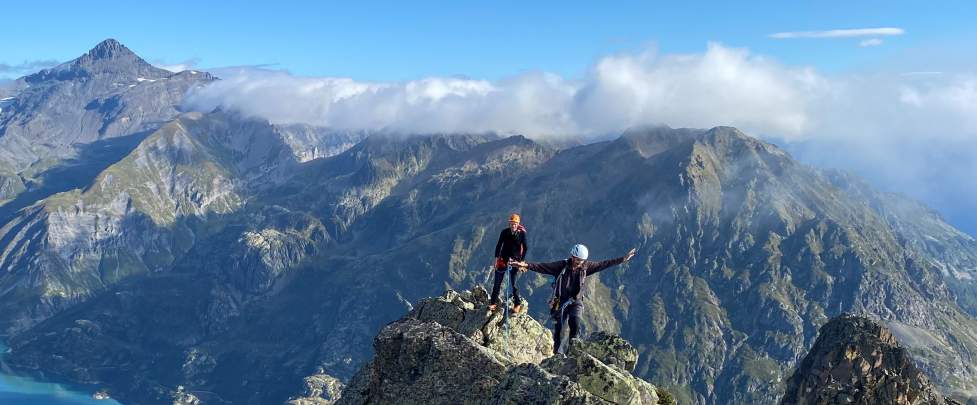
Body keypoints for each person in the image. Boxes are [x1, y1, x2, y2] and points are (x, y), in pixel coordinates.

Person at [511, 244, 636, 353]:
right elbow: (542, 266)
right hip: (559, 301)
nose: (579, 263)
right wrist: (525, 265)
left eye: (581, 260)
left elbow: (604, 264)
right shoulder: (561, 265)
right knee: (559, 328)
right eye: (577, 260)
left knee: (574, 324)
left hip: (576, 301)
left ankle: (572, 351)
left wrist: (623, 259)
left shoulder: (586, 267)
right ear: (572, 257)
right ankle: (556, 353)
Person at [490, 213, 528, 312]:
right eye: (511, 223)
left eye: (515, 223)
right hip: (503, 259)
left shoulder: (521, 234)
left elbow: (525, 247)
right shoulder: (504, 232)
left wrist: (522, 261)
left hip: (515, 261)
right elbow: (499, 245)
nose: (513, 225)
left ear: (518, 224)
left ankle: (517, 304)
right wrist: (496, 259)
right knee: (497, 283)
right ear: (509, 224)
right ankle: (492, 303)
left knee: (514, 284)